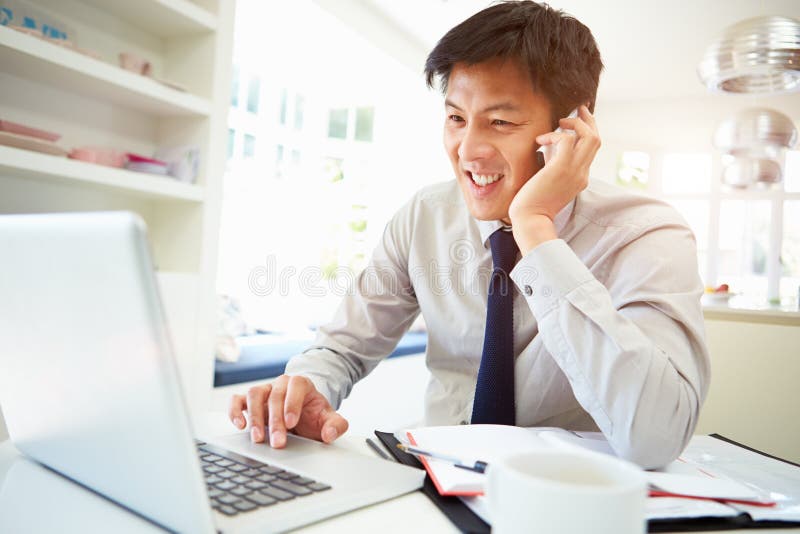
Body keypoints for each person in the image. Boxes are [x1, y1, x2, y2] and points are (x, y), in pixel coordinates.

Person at [228, 0, 709, 469]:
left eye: (500, 122)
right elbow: (343, 346)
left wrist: (536, 228)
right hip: (435, 479)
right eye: (457, 118)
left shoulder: (647, 235)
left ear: (571, 132)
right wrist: (305, 387)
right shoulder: (424, 216)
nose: (468, 150)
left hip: (570, 499)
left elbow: (655, 436)